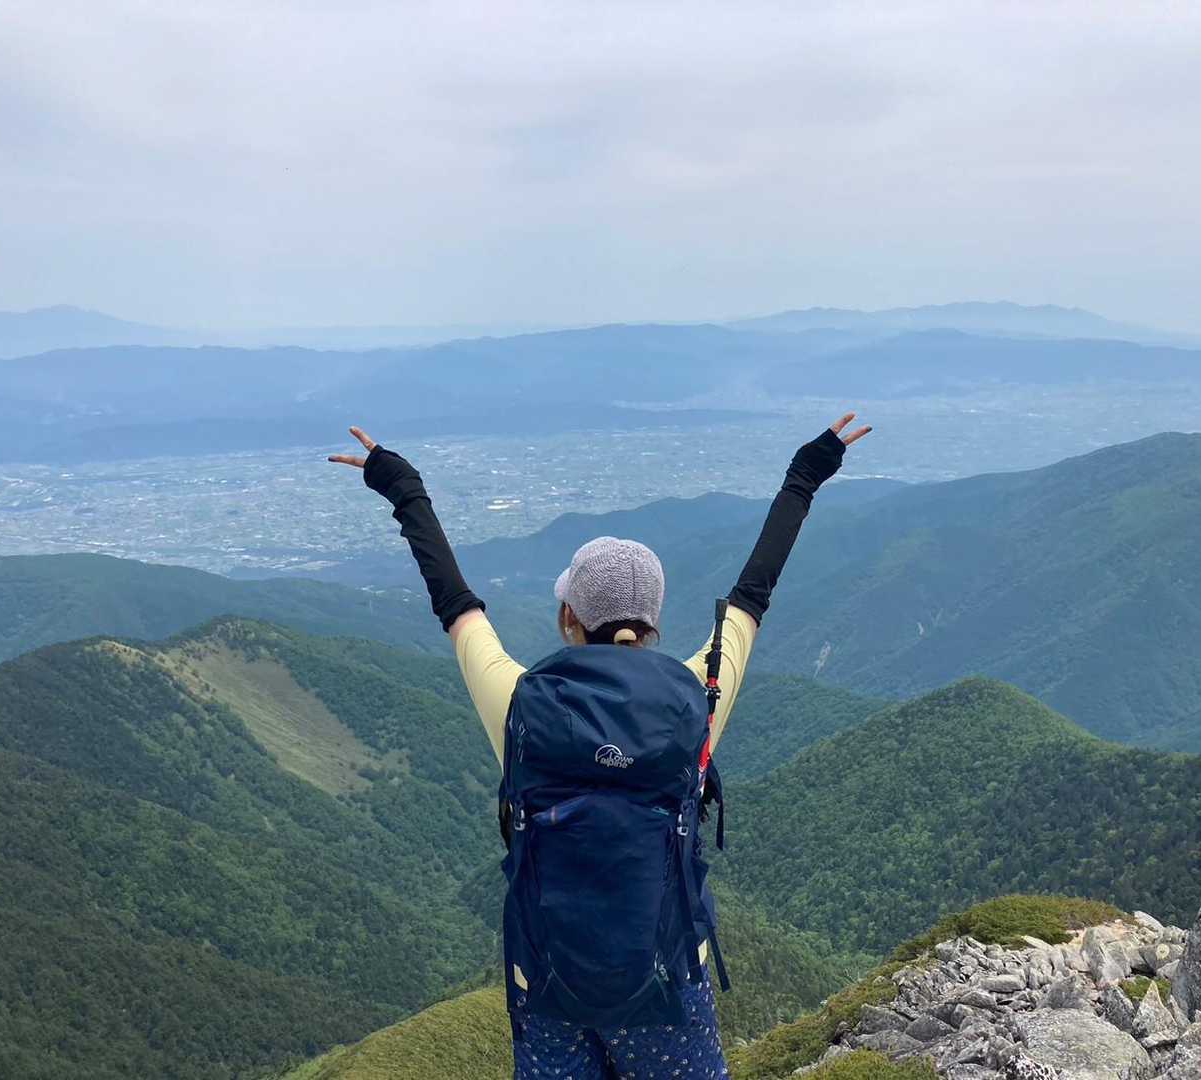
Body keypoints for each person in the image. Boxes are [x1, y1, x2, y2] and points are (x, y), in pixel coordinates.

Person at [330, 412, 872, 1080]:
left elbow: (456, 605)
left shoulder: (520, 705)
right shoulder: (696, 701)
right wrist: (805, 476)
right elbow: (751, 595)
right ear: (654, 623)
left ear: (568, 617)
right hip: (666, 978)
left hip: (546, 979)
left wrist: (402, 487)